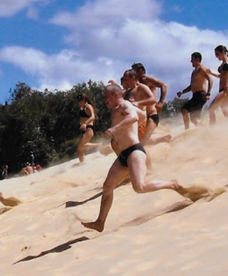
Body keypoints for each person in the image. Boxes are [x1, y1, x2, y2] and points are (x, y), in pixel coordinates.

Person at [81, 84, 197, 232]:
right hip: (124, 154)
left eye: (106, 97)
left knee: (140, 187)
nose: (104, 100)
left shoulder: (124, 104)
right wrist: (120, 135)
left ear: (115, 95)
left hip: (134, 151)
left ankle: (172, 184)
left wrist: (114, 130)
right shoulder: (119, 108)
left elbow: (134, 116)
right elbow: (141, 116)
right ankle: (100, 222)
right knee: (107, 186)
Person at [176, 52, 213, 130]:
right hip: (195, 95)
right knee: (184, 110)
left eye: (192, 59)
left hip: (201, 95)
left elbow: (210, 79)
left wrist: (208, 93)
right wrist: (182, 92)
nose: (191, 61)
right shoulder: (194, 72)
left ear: (197, 59)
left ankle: (204, 131)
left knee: (193, 117)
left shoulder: (201, 68)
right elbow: (191, 86)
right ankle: (189, 130)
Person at [76, 93, 96, 163]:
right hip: (85, 129)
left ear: (84, 100)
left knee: (80, 147)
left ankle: (99, 145)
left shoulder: (88, 106)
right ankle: (82, 163)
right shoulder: (82, 108)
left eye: (80, 100)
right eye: (78, 101)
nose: (78, 102)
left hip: (89, 128)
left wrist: (85, 123)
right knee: (80, 149)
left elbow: (93, 116)